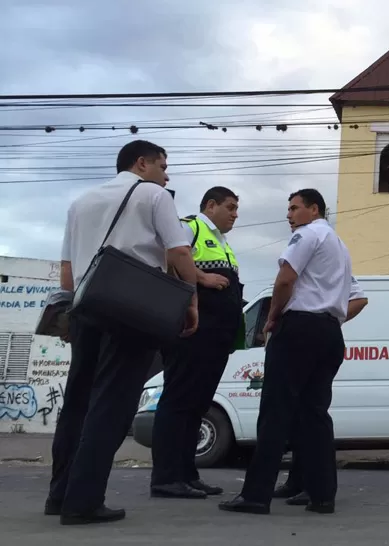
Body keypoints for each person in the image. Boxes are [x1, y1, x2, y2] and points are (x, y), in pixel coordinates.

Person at [47, 140, 199, 525]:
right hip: (131, 310)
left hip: (85, 308)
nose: (167, 175)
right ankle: (83, 502)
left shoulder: (80, 202)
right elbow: (180, 253)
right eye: (163, 166)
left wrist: (67, 314)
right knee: (112, 406)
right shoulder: (153, 195)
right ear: (141, 163)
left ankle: (59, 494)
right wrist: (191, 300)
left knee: (77, 402)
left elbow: (67, 269)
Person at [219, 188, 352, 516]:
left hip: (299, 329)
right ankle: (322, 496)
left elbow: (284, 280)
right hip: (329, 332)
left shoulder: (307, 236)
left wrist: (273, 317)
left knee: (276, 412)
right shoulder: (339, 245)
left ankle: (255, 495)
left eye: (295, 208)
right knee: (315, 415)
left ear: (314, 210)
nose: (289, 215)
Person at [150, 187, 244, 499]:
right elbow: (168, 254)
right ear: (211, 205)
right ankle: (165, 477)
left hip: (215, 338)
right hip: (192, 333)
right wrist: (202, 279)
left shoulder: (222, 242)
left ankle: (186, 474)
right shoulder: (192, 226)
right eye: (230, 207)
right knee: (178, 401)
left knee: (196, 406)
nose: (235, 214)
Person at [273, 278, 369, 506]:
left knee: (311, 416)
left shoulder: (324, 260)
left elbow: (360, 299)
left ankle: (313, 486)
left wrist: (332, 318)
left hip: (309, 336)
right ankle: (298, 481)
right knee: (299, 418)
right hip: (309, 336)